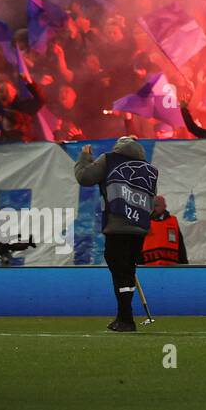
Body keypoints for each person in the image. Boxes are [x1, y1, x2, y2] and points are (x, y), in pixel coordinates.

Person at [74, 136, 159, 332]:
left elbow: (85, 178)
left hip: (117, 226)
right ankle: (124, 317)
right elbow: (151, 202)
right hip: (139, 228)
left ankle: (126, 319)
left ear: (118, 147)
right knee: (127, 272)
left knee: (120, 271)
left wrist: (85, 157)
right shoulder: (148, 168)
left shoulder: (109, 159)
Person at [141, 195, 188, 265]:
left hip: (171, 266)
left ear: (164, 206)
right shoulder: (144, 222)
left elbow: (180, 245)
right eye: (152, 206)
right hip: (149, 267)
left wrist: (184, 264)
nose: (154, 208)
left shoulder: (173, 221)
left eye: (157, 205)